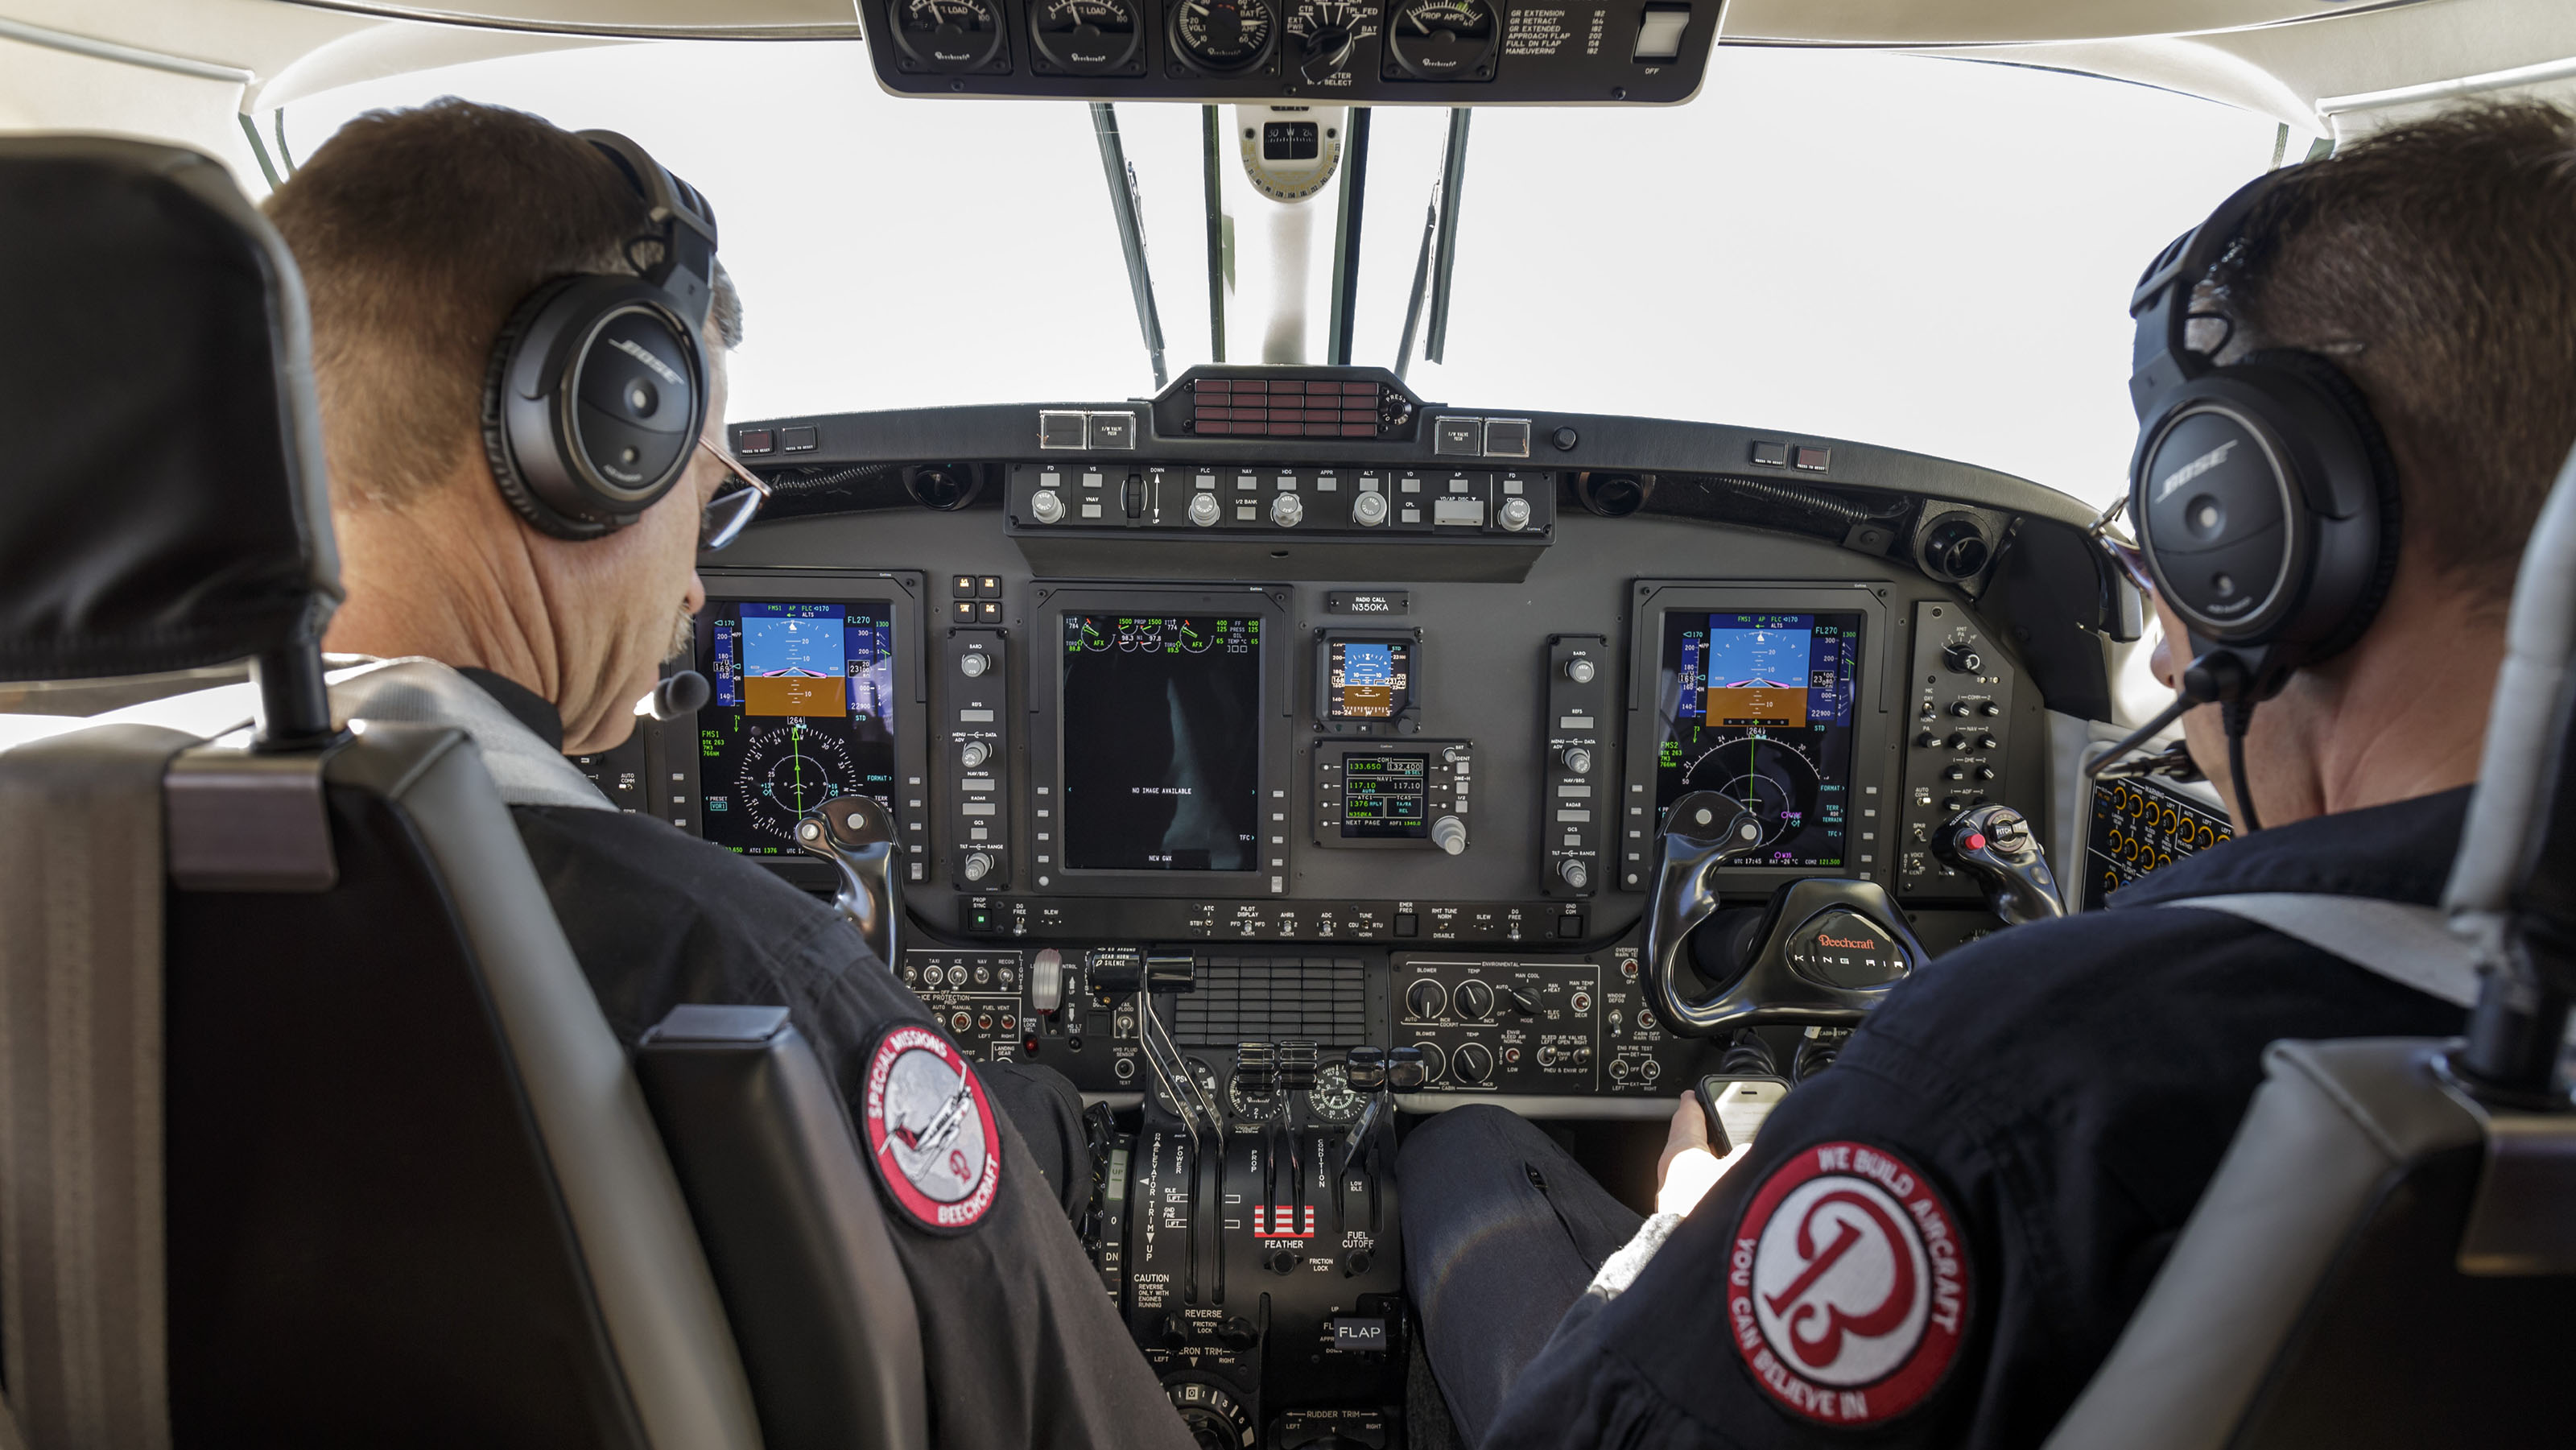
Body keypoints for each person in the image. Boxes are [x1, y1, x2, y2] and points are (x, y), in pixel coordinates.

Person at [1399, 101, 2576, 1450]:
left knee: (1467, 1147)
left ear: (2251, 540)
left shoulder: (2016, 1071)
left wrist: (1684, 1246)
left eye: (2163, 552)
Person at [262, 98, 1190, 1450]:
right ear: (595, 435)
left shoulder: (54, 919)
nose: (699, 582)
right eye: (708, 497)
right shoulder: (742, 971)